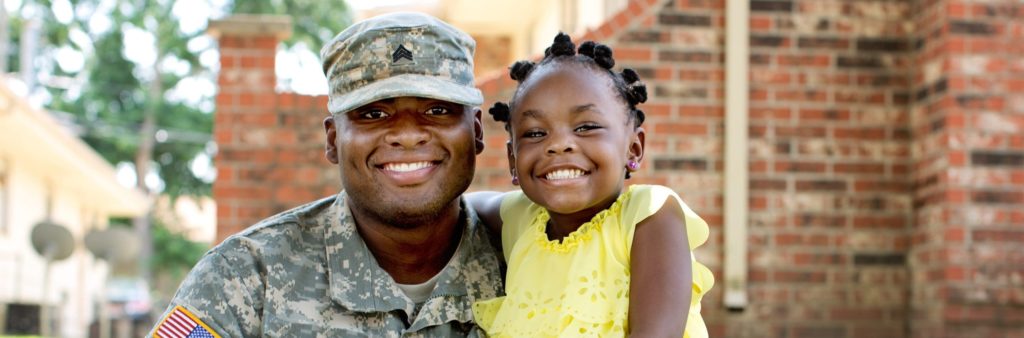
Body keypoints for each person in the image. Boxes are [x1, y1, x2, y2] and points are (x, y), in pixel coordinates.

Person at [148, 12, 504, 337]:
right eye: (374, 114)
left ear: (476, 132)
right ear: (333, 140)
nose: (407, 133)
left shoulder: (527, 266)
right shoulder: (245, 277)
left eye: (437, 109)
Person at [467, 33, 714, 337]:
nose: (558, 145)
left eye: (586, 127)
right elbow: (459, 206)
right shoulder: (523, 220)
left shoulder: (648, 216)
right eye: (534, 133)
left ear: (633, 149)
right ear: (512, 159)